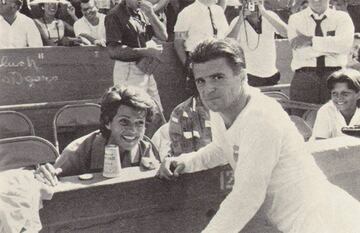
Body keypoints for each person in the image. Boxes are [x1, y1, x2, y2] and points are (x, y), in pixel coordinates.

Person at [157, 38, 360, 233]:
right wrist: (185, 162)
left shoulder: (262, 118)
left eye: (218, 77)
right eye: (201, 81)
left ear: (242, 75)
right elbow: (222, 147)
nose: (208, 89)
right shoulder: (221, 107)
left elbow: (246, 198)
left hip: (328, 223)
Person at [35, 85, 160, 186]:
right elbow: (50, 180)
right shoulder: (78, 151)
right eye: (124, 122)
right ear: (107, 122)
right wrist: (44, 175)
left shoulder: (145, 149)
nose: (132, 130)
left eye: (139, 123)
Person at [288, 0, 354, 115]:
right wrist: (331, 47)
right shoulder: (295, 19)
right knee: (301, 124)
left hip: (336, 78)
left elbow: (344, 46)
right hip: (304, 78)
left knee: (338, 122)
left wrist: (310, 40)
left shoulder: (342, 18)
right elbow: (301, 52)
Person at [105, 0, 167, 110]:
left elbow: (163, 36)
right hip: (127, 70)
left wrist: (151, 14)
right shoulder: (114, 15)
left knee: (157, 111)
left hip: (145, 67)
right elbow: (113, 50)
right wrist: (146, 51)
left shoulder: (142, 11)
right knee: (135, 112)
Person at [227, 0, 287, 87]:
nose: (254, 3)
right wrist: (240, 19)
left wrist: (264, 13)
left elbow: (286, 33)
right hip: (249, 75)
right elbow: (228, 43)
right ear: (243, 3)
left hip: (271, 74)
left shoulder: (270, 16)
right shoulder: (237, 21)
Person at [173, 0, 229, 67]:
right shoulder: (187, 12)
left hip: (220, 59)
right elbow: (178, 43)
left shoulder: (219, 10)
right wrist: (187, 65)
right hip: (198, 60)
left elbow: (225, 36)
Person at [312, 68, 360, 140]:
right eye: (334, 93)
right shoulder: (326, 111)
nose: (339, 98)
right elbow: (321, 145)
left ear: (358, 94)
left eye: (345, 94)